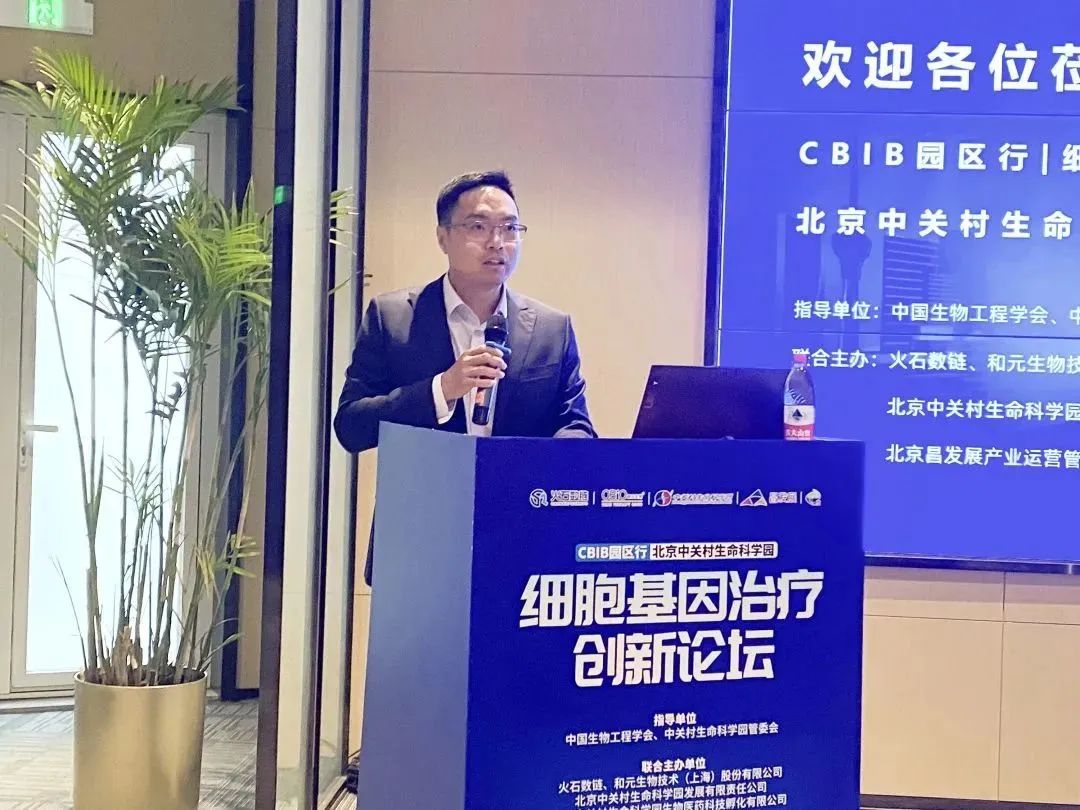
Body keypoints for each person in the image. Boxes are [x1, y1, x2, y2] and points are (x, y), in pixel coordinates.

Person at [334, 170, 596, 584]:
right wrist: (442, 390)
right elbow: (352, 425)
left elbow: (575, 424)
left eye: (510, 228)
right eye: (478, 227)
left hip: (524, 538)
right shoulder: (393, 317)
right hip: (420, 541)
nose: (497, 242)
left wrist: (543, 465)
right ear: (443, 237)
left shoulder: (551, 328)